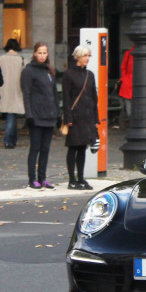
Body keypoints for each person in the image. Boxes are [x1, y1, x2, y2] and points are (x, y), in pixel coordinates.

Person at [20, 42, 61, 189]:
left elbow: (54, 94)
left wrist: (58, 113)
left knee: (45, 148)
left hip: (49, 114)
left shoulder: (49, 70)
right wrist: (29, 114)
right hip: (36, 115)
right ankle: (32, 179)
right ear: (35, 54)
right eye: (40, 53)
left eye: (45, 53)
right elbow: (26, 93)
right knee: (35, 147)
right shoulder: (29, 71)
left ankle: (43, 177)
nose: (43, 56)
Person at [61, 44, 98, 190]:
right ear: (78, 57)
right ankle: (72, 179)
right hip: (75, 117)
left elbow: (94, 98)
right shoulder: (68, 74)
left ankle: (81, 178)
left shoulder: (90, 75)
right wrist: (68, 118)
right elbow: (66, 98)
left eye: (89, 56)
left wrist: (96, 118)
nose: (87, 58)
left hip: (87, 117)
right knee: (73, 147)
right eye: (85, 56)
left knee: (83, 148)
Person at [0, 39, 26, 149]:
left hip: (4, 90)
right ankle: (9, 139)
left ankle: (11, 139)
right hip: (17, 90)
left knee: (10, 114)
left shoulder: (0, 60)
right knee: (12, 114)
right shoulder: (21, 60)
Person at [117, 47, 134, 130]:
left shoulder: (129, 53)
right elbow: (123, 67)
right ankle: (132, 126)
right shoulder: (128, 53)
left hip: (135, 83)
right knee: (129, 109)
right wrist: (124, 78)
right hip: (128, 84)